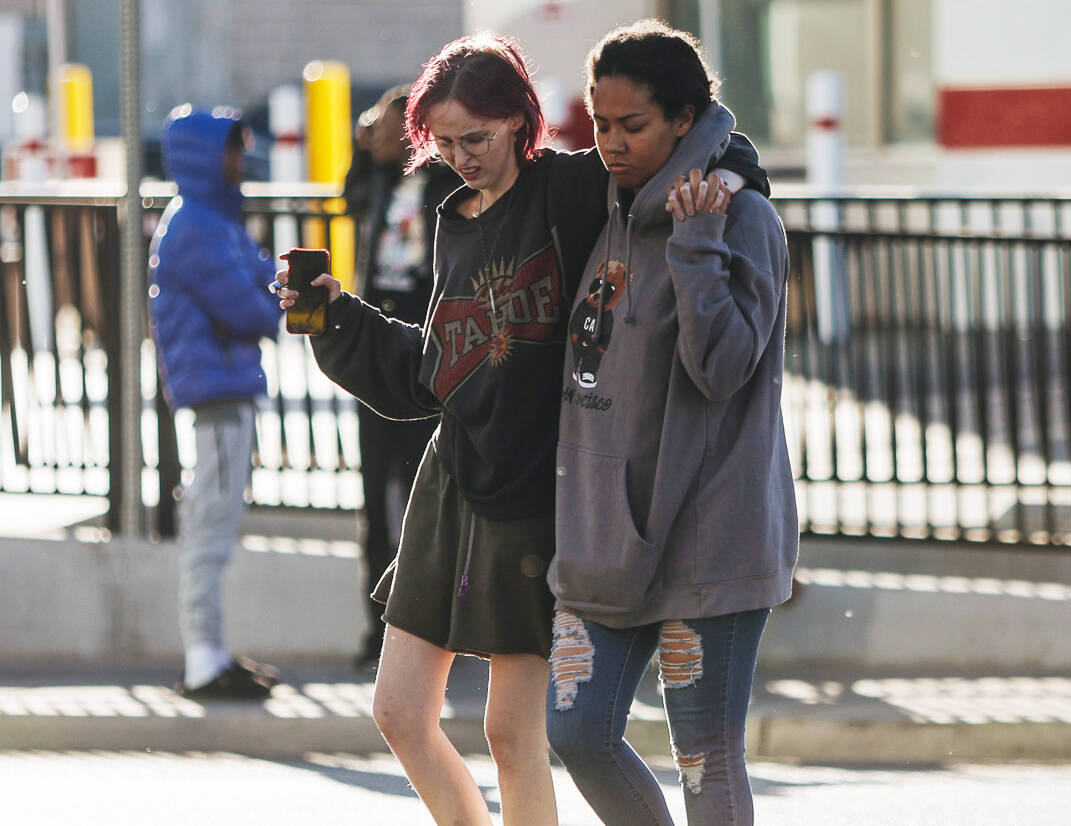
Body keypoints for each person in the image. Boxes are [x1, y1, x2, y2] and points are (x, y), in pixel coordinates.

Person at [274, 32, 767, 825]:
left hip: (541, 491)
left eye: (478, 137)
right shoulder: (455, 218)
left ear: (519, 123)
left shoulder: (569, 190)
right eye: (443, 142)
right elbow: (436, 371)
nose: (462, 156)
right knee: (399, 713)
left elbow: (687, 139)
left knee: (514, 733)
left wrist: (737, 173)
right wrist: (336, 317)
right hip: (453, 483)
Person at [544, 20, 797, 826]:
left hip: (706, 538)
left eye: (632, 126)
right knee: (578, 731)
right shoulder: (608, 207)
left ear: (684, 119)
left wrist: (696, 243)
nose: (610, 143)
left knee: (703, 761)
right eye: (600, 123)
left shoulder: (740, 217)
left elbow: (719, 370)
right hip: (604, 540)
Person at [149, 105, 283, 700]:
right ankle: (203, 659)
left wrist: (269, 291)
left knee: (214, 524)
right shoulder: (198, 226)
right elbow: (252, 305)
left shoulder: (211, 219)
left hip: (222, 391)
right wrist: (273, 298)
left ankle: (212, 652)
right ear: (208, 156)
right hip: (217, 396)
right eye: (231, 148)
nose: (238, 159)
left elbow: (262, 283)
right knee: (210, 528)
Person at [342, 85, 456, 669]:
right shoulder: (381, 182)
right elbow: (350, 198)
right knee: (374, 496)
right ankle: (376, 627)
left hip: (426, 351)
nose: (374, 133)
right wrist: (362, 152)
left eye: (385, 126)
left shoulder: (442, 184)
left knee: (423, 496)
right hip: (379, 347)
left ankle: (433, 624)